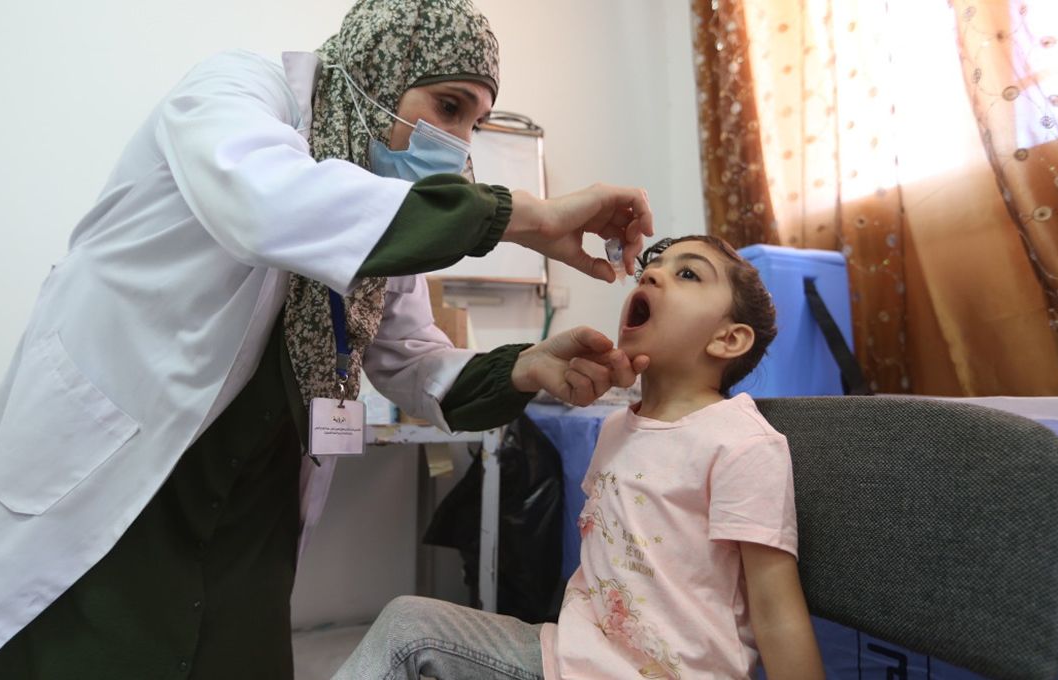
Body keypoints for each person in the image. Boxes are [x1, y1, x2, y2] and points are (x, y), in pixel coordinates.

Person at [0, 1, 655, 678]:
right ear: (376, 72)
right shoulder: (237, 93)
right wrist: (522, 215)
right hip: (122, 484)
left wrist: (526, 367)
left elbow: (413, 362)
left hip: (249, 523)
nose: (461, 143)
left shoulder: (384, 212)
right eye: (447, 108)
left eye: (476, 120)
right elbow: (270, 206)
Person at [332, 235, 825, 680]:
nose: (652, 273)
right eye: (654, 265)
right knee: (408, 625)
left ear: (729, 339)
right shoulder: (616, 427)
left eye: (688, 274)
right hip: (566, 657)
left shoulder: (742, 443)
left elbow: (777, 613)